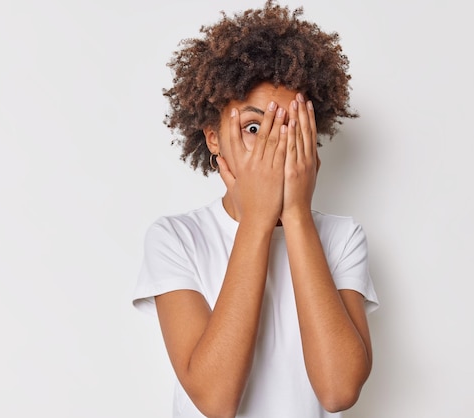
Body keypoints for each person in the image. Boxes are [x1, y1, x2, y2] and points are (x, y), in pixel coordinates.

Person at [133, 2, 379, 417]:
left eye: (290, 128)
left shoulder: (342, 237)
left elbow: (338, 391)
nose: (274, 145)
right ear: (213, 138)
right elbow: (215, 400)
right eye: (253, 127)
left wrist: (297, 215)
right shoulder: (176, 238)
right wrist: (258, 219)